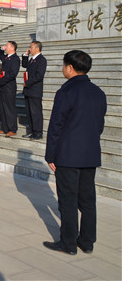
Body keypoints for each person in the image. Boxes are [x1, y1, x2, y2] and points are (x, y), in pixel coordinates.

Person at [43, 50, 107, 255]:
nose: (63, 69)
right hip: (89, 154)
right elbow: (99, 125)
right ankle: (87, 242)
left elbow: (56, 126)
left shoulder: (66, 92)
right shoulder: (98, 92)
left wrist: (50, 155)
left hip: (68, 155)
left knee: (68, 200)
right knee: (88, 201)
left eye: (64, 66)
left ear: (70, 67)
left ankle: (68, 243)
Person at [22, 40, 47, 140]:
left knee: (36, 112)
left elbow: (39, 75)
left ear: (37, 48)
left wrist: (28, 83)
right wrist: (25, 55)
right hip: (28, 90)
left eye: (31, 47)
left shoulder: (41, 60)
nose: (29, 49)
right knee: (29, 112)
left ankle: (38, 133)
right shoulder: (32, 59)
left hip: (35, 90)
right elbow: (24, 65)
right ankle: (32, 131)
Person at [0, 41, 20, 137]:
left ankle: (12, 128)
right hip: (2, 86)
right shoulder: (7, 58)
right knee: (2, 107)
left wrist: (1, 81)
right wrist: (1, 49)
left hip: (9, 86)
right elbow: (0, 55)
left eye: (7, 45)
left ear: (12, 47)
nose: (5, 47)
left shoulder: (15, 59)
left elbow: (13, 74)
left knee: (9, 107)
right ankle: (5, 128)